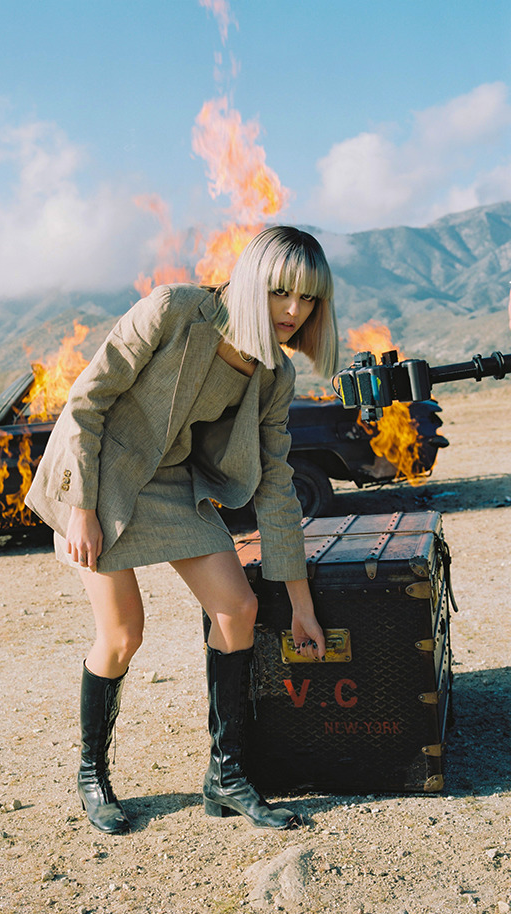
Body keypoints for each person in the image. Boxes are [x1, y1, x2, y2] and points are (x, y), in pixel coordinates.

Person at [25, 226, 339, 834]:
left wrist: (300, 603)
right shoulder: (173, 309)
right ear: (251, 282)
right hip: (101, 474)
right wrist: (80, 509)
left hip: (170, 483)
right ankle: (93, 772)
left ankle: (226, 775)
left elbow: (276, 485)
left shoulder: (273, 375)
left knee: (238, 608)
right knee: (122, 635)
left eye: (308, 300)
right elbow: (87, 402)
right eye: (281, 293)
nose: (294, 312)